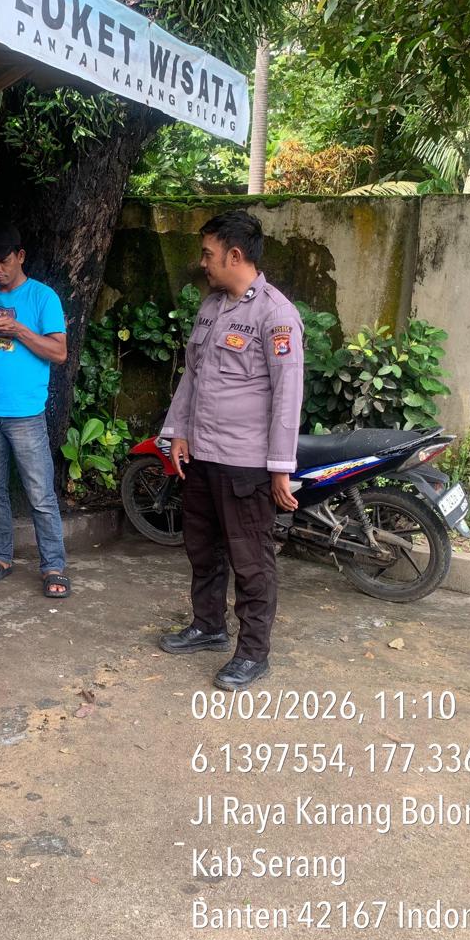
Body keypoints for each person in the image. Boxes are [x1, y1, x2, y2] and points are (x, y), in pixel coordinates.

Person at [158, 210, 304, 690]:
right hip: (202, 456)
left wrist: (280, 469)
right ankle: (208, 626)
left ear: (234, 255)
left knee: (251, 560)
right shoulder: (211, 307)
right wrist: (178, 431)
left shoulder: (276, 315)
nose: (202, 262)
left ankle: (253, 653)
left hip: (245, 464)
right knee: (202, 548)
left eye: (208, 254)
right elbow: (193, 375)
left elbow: (287, 395)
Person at [0, 223, 72, 599]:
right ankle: (1, 557)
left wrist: (18, 329)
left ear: (20, 256)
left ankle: (53, 565)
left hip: (25, 413)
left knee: (40, 494)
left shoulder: (42, 297)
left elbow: (59, 353)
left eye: (4, 261)